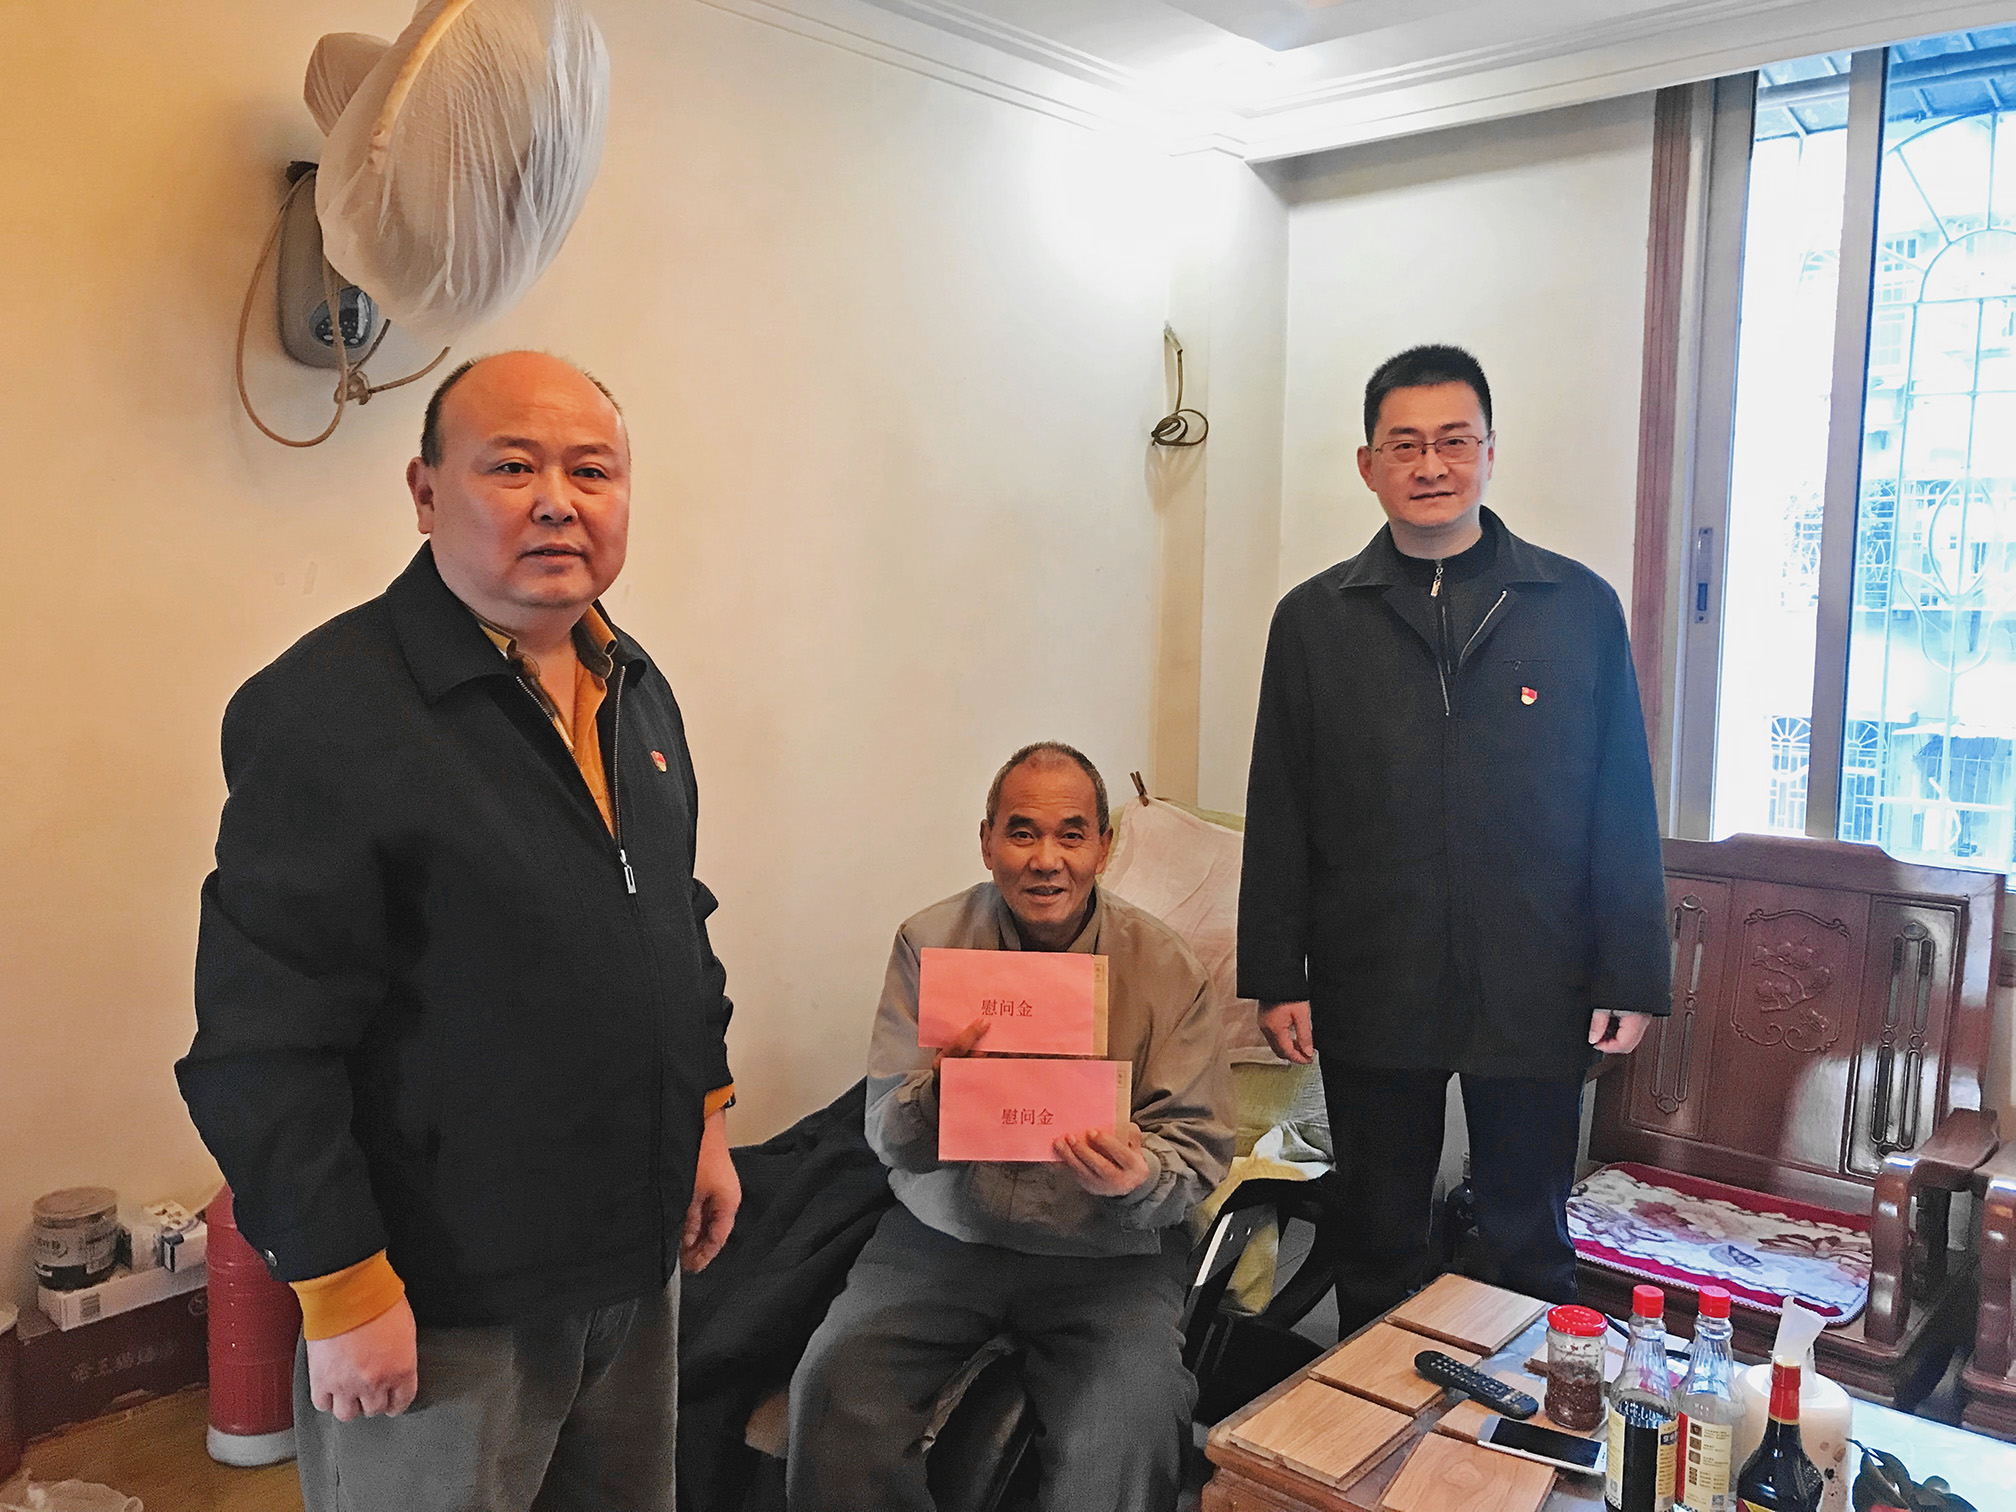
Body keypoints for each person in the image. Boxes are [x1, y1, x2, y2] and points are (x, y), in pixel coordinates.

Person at [177, 351, 739, 1512]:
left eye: (593, 471)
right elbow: (262, 1036)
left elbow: (668, 915)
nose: (558, 501)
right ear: (426, 492)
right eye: (513, 466)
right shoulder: (330, 711)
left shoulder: (633, 687)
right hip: (441, 1301)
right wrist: (341, 1287)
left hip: (629, 1261)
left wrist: (706, 1115)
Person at [1237, 344, 1670, 1332]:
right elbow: (1282, 804)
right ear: (1368, 464)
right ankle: (1372, 1419)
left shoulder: (1576, 608)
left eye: (1453, 442)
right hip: (1371, 970)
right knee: (1378, 1234)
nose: (1431, 465)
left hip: (1537, 971)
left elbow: (1621, 802)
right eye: (1405, 445)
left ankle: (1524, 1417)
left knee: (1528, 1235)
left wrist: (1632, 972)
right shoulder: (1314, 621)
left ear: (1488, 452)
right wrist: (1276, 972)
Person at [787, 743, 1234, 1512]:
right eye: (1022, 833)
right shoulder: (930, 943)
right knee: (833, 1388)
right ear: (987, 841)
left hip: (1107, 1249)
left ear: (1103, 847)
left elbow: (1195, 1143)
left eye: (1071, 834)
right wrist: (939, 1098)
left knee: (1127, 1426)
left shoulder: (1164, 966)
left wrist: (1141, 1177)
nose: (1046, 860)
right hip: (947, 1231)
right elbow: (886, 1132)